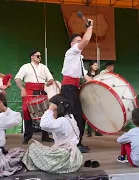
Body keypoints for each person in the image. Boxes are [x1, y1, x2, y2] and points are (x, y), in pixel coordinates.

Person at [22, 94, 83, 173]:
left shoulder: (62, 121)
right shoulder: (70, 117)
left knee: (33, 148)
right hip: (75, 159)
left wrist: (50, 109)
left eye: (52, 109)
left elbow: (44, 124)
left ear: (57, 108)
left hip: (65, 160)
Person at [61, 19, 93, 153]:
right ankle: (74, 143)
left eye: (80, 40)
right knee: (74, 116)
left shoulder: (78, 58)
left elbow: (85, 76)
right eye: (77, 41)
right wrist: (91, 26)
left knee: (79, 116)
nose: (80, 42)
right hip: (68, 88)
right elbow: (86, 41)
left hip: (73, 88)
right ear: (72, 44)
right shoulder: (70, 53)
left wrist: (96, 84)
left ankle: (77, 142)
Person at [15, 49, 54, 144]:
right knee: (26, 111)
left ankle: (45, 136)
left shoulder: (44, 67)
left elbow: (51, 79)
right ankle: (27, 137)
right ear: (32, 57)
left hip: (41, 90)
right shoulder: (25, 67)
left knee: (45, 112)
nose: (40, 57)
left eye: (40, 56)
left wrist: (49, 82)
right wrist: (22, 89)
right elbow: (17, 78)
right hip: (29, 90)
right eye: (38, 56)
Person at [86, 61, 102, 137]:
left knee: (97, 113)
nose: (96, 66)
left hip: (97, 95)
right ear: (91, 66)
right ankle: (89, 131)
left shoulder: (99, 75)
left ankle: (97, 130)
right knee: (89, 113)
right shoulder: (86, 75)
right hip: (89, 95)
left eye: (97, 65)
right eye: (94, 65)